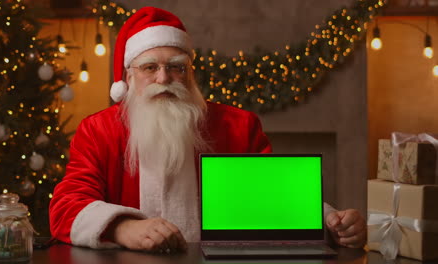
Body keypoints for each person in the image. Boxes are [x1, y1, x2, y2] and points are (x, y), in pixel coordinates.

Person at [49, 6, 366, 253]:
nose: (164, 78)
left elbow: (270, 198)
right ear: (128, 78)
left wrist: (330, 220)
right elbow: (66, 207)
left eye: (176, 67)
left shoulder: (237, 126)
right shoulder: (99, 130)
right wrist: (122, 228)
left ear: (189, 74)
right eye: (150, 67)